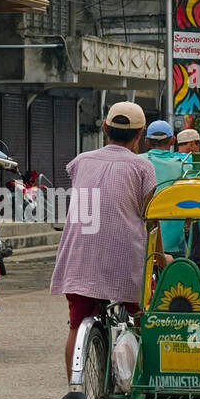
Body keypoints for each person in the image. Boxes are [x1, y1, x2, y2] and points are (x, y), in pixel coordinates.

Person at [50, 102, 157, 375]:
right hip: (125, 262)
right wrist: (160, 258)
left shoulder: (81, 161)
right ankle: (143, 379)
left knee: (77, 324)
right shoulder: (142, 168)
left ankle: (74, 390)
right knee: (140, 318)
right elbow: (151, 220)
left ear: (106, 128)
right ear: (140, 134)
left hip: (79, 258)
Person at [143, 119, 190, 256]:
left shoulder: (138, 162)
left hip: (144, 241)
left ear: (146, 141)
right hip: (174, 243)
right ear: (172, 141)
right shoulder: (184, 164)